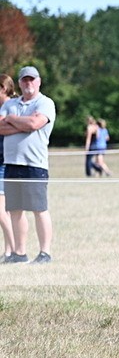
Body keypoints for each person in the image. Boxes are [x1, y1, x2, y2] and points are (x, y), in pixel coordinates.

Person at [0, 66, 57, 264]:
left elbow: (35, 124)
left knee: (39, 209)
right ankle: (19, 253)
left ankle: (44, 253)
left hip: (35, 164)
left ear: (39, 81)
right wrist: (23, 125)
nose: (28, 83)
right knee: (15, 210)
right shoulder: (11, 104)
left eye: (32, 79)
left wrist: (12, 120)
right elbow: (1, 127)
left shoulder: (46, 103)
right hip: (12, 164)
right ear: (20, 83)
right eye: (24, 80)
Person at [0, 74, 17, 262]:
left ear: (3, 88)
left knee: (1, 211)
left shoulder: (12, 107)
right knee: (6, 210)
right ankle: (7, 251)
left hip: (5, 162)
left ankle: (14, 250)